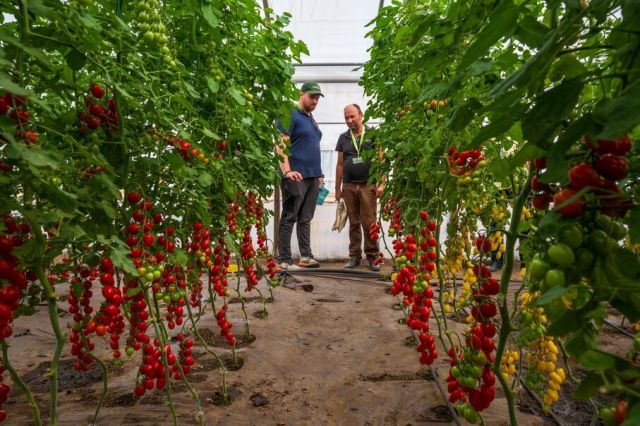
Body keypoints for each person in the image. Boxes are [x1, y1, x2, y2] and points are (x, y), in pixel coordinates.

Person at [275, 81, 325, 270]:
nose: (315, 101)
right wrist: (287, 171)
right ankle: (285, 260)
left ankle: (306, 256)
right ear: (301, 94)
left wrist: (318, 174)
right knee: (289, 217)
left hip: (312, 177)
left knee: (305, 218)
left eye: (317, 98)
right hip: (296, 176)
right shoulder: (290, 114)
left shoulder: (310, 119)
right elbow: (281, 144)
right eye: (312, 96)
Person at [335, 104, 384, 271]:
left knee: (369, 222)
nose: (349, 120)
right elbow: (340, 164)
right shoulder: (343, 138)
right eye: (346, 118)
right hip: (348, 186)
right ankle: (354, 256)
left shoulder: (373, 135)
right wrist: (337, 188)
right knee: (353, 222)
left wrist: (382, 183)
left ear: (361, 115)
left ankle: (372, 256)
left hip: (367, 185)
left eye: (352, 116)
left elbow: (381, 160)